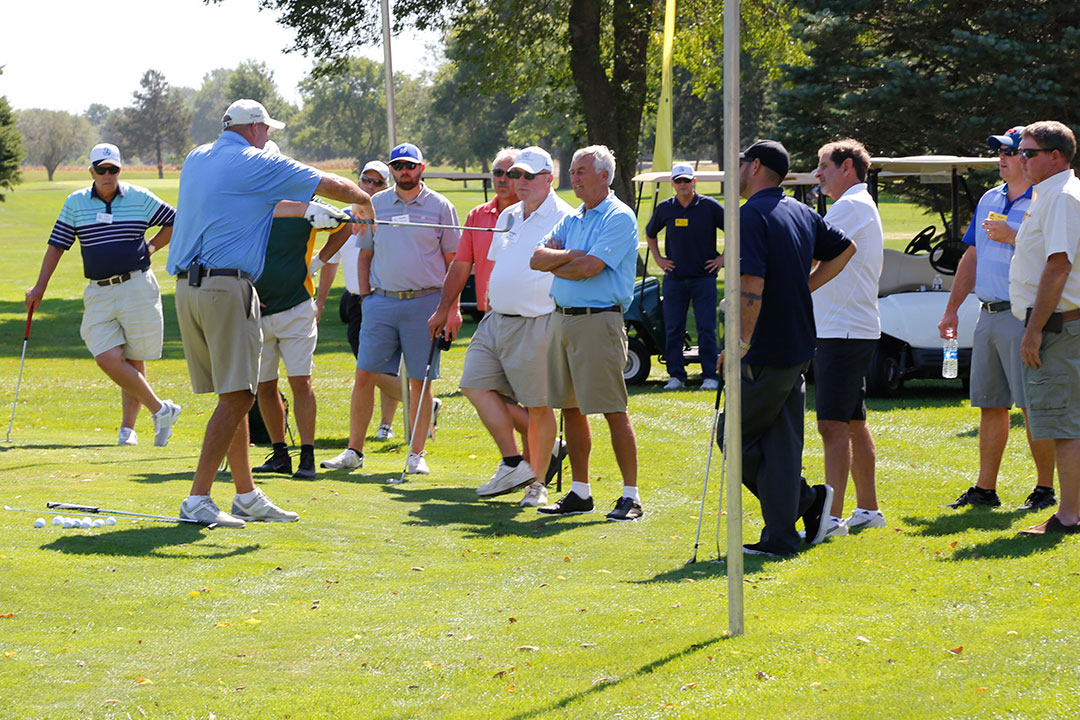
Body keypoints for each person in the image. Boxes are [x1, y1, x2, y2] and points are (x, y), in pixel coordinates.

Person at [167, 98, 374, 528]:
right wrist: (365, 203)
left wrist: (305, 210)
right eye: (267, 131)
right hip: (226, 287)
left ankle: (246, 495)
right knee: (241, 395)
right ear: (257, 129)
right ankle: (198, 499)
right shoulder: (254, 161)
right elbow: (332, 184)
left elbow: (256, 204)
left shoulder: (197, 157)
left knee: (233, 392)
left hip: (188, 287)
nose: (268, 138)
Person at [724, 140, 856, 557]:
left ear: (756, 166)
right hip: (798, 343)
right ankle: (781, 537)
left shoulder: (750, 216)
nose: (738, 170)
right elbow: (844, 249)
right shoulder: (801, 211)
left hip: (764, 348)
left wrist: (739, 341)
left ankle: (806, 502)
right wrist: (804, 287)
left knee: (733, 436)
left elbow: (751, 284)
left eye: (741, 163)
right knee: (780, 444)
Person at [430, 146, 573, 507]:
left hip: (538, 319)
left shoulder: (565, 217)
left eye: (528, 176)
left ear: (548, 178)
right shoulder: (508, 214)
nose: (518, 182)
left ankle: (537, 483)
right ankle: (514, 462)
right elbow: (495, 265)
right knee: (474, 385)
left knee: (540, 406)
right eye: (515, 175)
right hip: (496, 319)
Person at [25, 143, 181, 447]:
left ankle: (128, 431)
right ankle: (161, 409)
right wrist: (40, 286)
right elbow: (58, 244)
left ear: (119, 170)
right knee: (108, 357)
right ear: (91, 171)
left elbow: (175, 220)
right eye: (101, 169)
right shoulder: (76, 203)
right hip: (98, 290)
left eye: (113, 169)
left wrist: (150, 247)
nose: (107, 175)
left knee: (134, 357)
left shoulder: (139, 197)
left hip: (136, 284)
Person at [321, 142, 460, 477]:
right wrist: (367, 298)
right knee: (365, 374)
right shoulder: (375, 203)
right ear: (392, 169)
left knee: (420, 380)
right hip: (381, 301)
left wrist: (450, 308)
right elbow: (365, 254)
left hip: (425, 302)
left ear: (421, 169)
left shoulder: (441, 206)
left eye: (410, 166)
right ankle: (354, 450)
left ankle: (416, 454)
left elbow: (453, 262)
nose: (404, 172)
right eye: (398, 166)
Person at [939, 126, 1056, 512]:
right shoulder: (990, 197)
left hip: (1023, 315)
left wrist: (1014, 234)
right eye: (999, 153)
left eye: (1009, 152)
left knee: (1032, 405)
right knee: (991, 404)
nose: (1002, 159)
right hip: (987, 314)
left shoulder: (1046, 201)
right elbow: (972, 256)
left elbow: (1058, 260)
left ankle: (1044, 490)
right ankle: (985, 489)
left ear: (1026, 157)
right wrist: (952, 308)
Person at [529, 145, 643, 521]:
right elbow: (536, 258)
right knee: (571, 409)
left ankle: (631, 496)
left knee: (612, 408)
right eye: (573, 171)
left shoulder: (619, 216)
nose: (573, 177)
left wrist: (562, 260)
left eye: (580, 171)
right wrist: (568, 256)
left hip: (599, 321)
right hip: (562, 319)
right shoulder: (574, 217)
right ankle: (580, 492)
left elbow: (591, 267)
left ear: (604, 176)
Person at [248, 142, 354, 480]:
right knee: (264, 386)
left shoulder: (306, 205)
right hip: (256, 309)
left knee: (301, 382)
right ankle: (280, 453)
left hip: (297, 305)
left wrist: (319, 261)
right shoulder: (247, 206)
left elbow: (346, 224)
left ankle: (306, 454)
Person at [810, 139, 886, 537]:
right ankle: (868, 509)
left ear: (848, 168)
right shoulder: (856, 204)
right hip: (849, 327)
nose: (817, 173)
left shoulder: (850, 206)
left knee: (831, 425)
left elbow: (814, 251)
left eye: (824, 165)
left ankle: (830, 519)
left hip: (842, 330)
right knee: (853, 421)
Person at [1008, 121, 1080, 535]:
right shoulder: (1050, 194)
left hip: (1057, 327)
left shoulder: (1061, 198)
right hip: (1053, 324)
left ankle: (1068, 516)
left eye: (1029, 152)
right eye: (1021, 151)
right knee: (1060, 420)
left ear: (1056, 156)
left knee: (1063, 422)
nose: (1021, 159)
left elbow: (1059, 266)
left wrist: (1034, 330)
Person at [326, 160, 401, 440]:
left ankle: (394, 420)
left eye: (377, 183)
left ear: (387, 186)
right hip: (354, 298)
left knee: (378, 367)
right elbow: (332, 258)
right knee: (371, 367)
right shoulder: (344, 216)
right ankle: (419, 403)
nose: (369, 187)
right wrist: (321, 300)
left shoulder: (388, 217)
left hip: (380, 297)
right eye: (365, 180)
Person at [645, 162, 724, 390]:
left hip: (704, 278)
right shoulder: (665, 208)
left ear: (694, 182)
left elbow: (735, 227)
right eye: (678, 181)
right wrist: (659, 259)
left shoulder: (709, 206)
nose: (682, 185)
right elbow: (650, 234)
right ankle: (676, 376)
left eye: (686, 180)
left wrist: (722, 259)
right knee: (673, 329)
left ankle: (710, 375)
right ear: (673, 183)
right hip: (675, 278)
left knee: (706, 327)